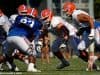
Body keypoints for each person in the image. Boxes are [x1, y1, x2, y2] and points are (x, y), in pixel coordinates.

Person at [2, 5, 42, 72]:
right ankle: (31, 68)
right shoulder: (37, 23)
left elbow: (12, 27)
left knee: (6, 55)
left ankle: (12, 66)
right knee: (33, 53)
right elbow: (35, 34)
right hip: (19, 37)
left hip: (9, 37)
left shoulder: (19, 17)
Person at [62, 2, 97, 71]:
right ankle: (92, 64)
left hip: (95, 29)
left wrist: (92, 32)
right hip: (88, 30)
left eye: (66, 10)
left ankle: (92, 63)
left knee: (82, 48)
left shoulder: (77, 15)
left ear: (70, 9)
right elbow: (81, 28)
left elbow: (90, 19)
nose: (65, 13)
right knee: (80, 48)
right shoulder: (74, 16)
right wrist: (64, 42)